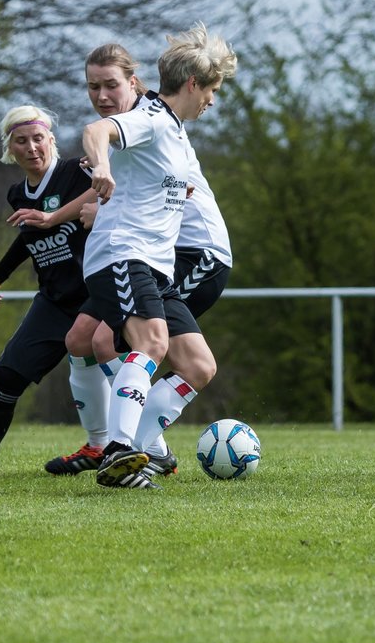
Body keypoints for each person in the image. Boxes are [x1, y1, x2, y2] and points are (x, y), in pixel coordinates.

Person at [44, 42, 234, 475]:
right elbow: (97, 132)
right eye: (211, 90)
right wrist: (102, 168)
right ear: (192, 83)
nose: (211, 100)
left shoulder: (175, 131)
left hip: (156, 266)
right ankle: (118, 450)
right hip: (123, 254)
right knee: (146, 343)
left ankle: (140, 451)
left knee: (200, 366)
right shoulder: (150, 119)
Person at [0, 105, 100, 474]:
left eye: (38, 138)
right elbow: (28, 236)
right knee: (6, 378)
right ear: (9, 149)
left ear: (51, 139)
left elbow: (109, 192)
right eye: (21, 141)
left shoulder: (77, 172)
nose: (32, 147)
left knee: (121, 374)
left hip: (98, 297)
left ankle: (133, 451)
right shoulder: (18, 193)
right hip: (53, 301)